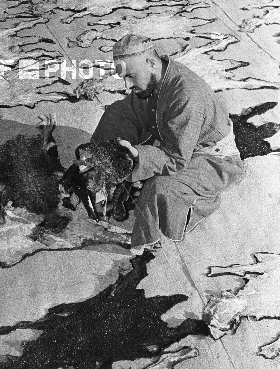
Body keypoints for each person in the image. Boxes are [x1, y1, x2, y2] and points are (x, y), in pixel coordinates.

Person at [92, 34, 244, 255]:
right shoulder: (156, 76)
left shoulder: (187, 95)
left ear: (151, 63)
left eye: (131, 76)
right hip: (176, 139)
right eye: (124, 77)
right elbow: (133, 110)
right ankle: (102, 171)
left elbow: (175, 158)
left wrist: (138, 156)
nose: (127, 85)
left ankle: (194, 202)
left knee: (158, 189)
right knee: (117, 113)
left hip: (211, 158)